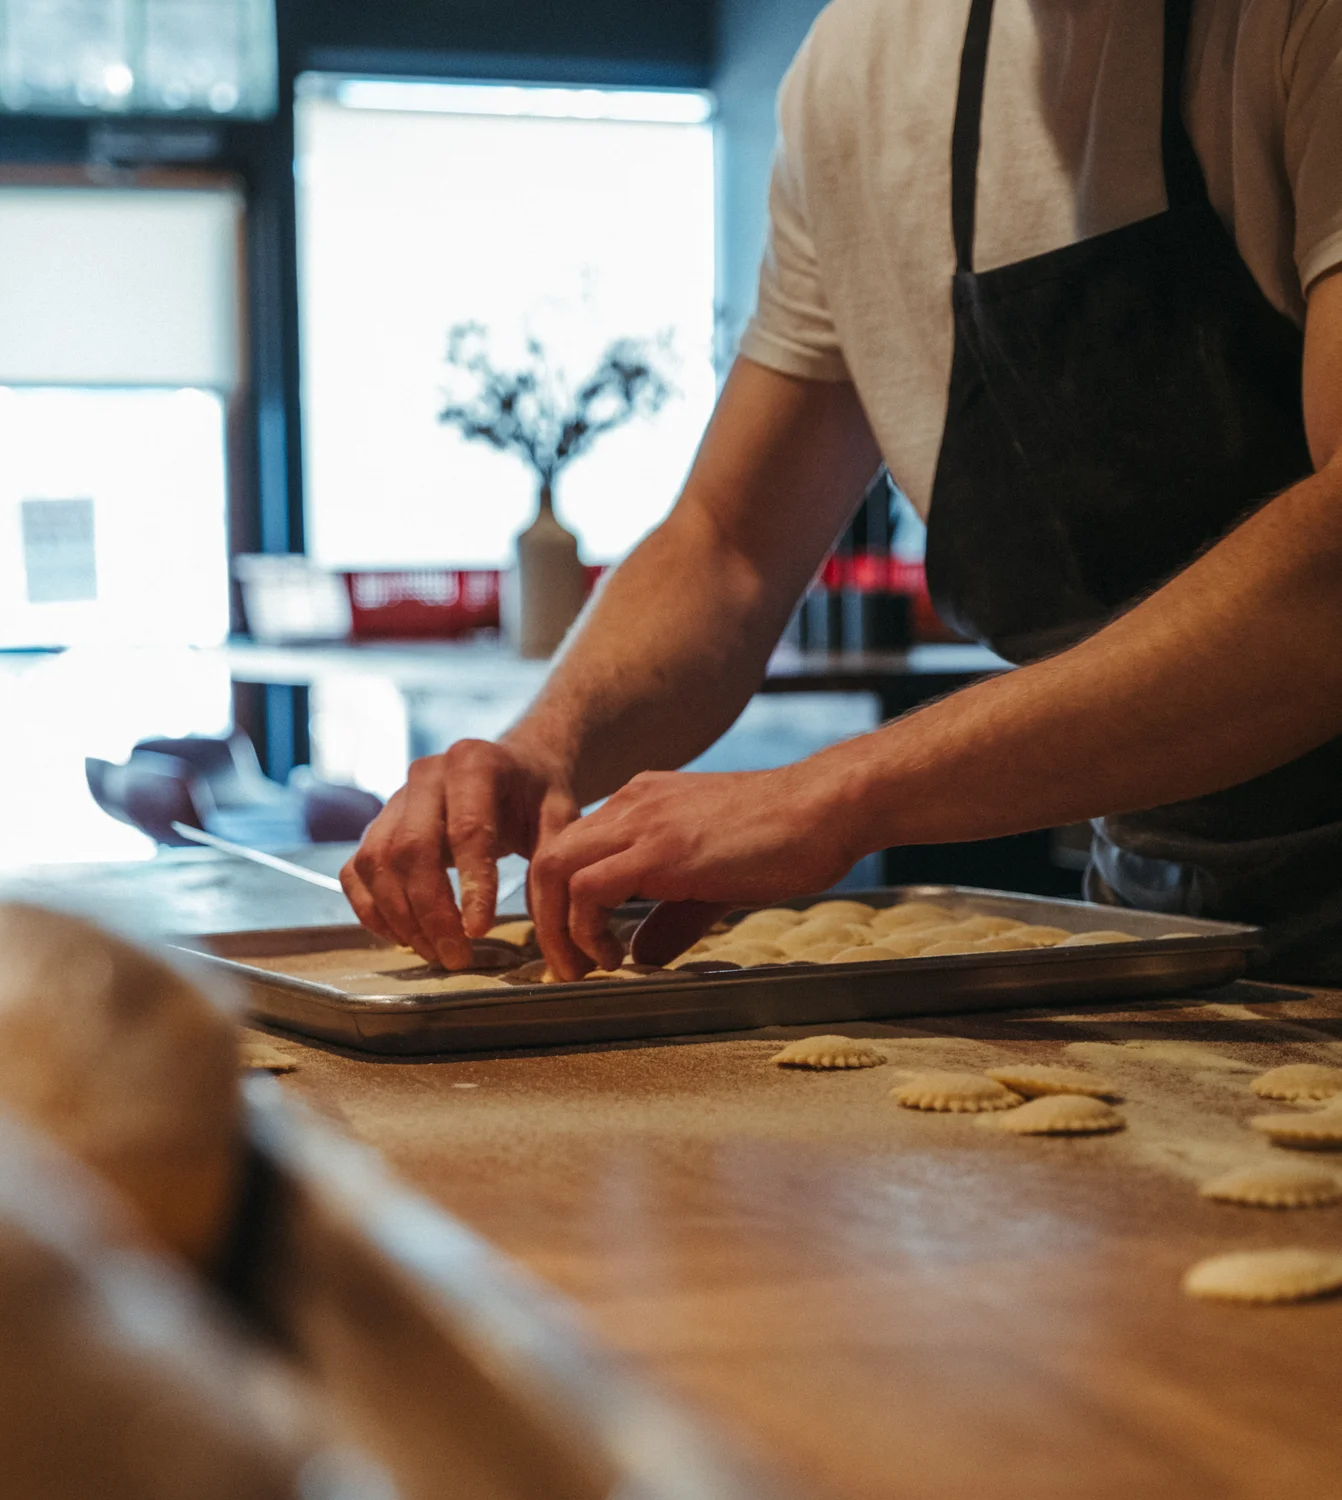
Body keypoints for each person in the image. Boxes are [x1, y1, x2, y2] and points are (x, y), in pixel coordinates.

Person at [344, 0, 1342, 983]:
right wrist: (542, 752)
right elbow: (726, 545)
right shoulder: (869, 66)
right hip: (1167, 923)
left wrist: (836, 793)